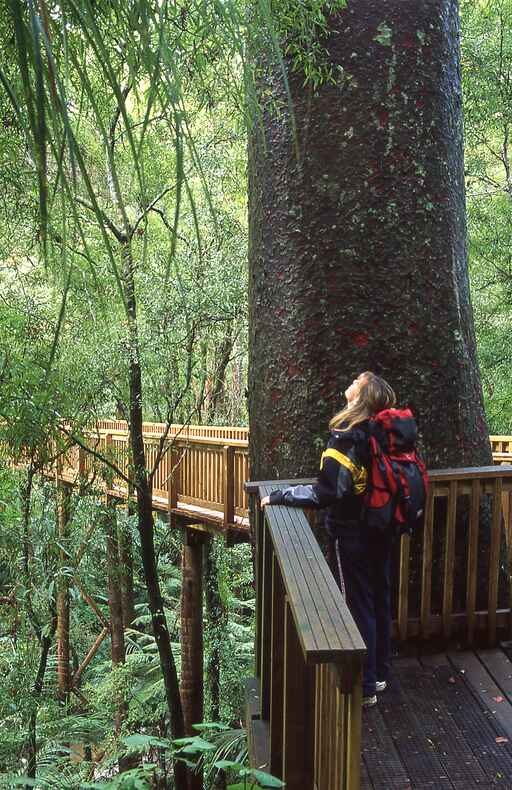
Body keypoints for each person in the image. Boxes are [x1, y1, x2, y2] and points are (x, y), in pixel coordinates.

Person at [261, 371, 396, 707]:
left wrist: (281, 495)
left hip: (353, 532)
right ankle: (379, 673)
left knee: (358, 603)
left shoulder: (348, 437)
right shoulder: (383, 433)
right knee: (379, 597)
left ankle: (363, 685)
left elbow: (326, 493)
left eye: (357, 380)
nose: (350, 381)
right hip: (383, 528)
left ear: (361, 396)